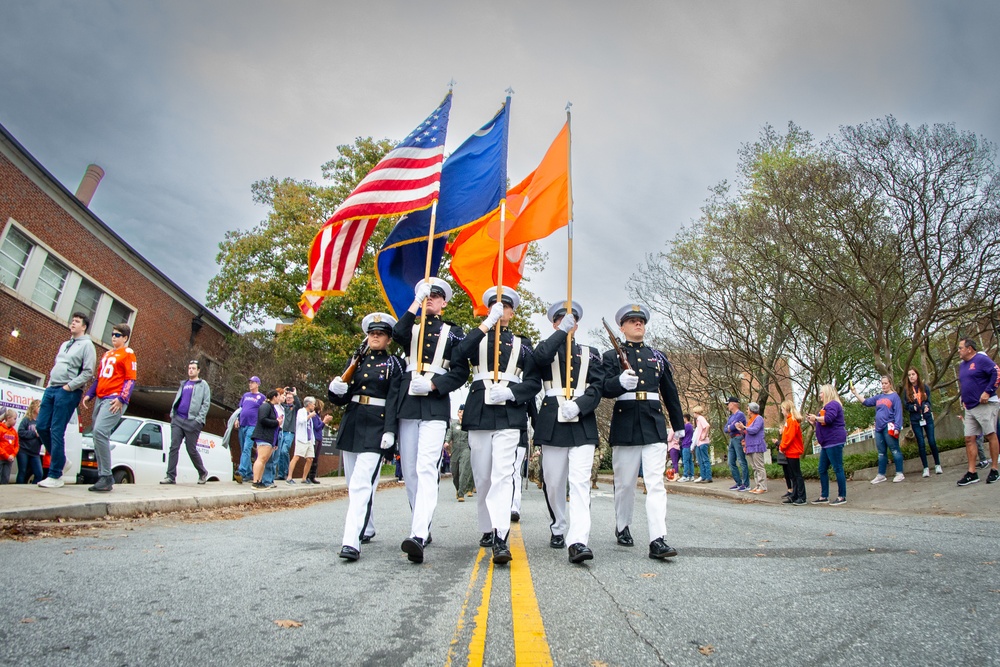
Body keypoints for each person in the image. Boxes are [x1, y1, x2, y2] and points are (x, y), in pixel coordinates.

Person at [453, 286, 541, 564]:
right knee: (482, 476)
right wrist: (486, 324)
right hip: (479, 411)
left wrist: (512, 393)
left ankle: (500, 535)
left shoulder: (522, 345)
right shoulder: (477, 337)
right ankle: (486, 527)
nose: (500, 311)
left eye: (504, 307)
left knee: (503, 475)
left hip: (509, 413)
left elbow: (533, 382)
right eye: (495, 306)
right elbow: (459, 354)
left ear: (512, 313)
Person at [392, 277, 469, 564]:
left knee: (426, 467)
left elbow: (461, 371)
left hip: (435, 404)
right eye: (427, 295)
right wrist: (415, 303)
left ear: (444, 302)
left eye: (435, 296)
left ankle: (418, 534)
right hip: (409, 403)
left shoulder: (454, 333)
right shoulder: (411, 327)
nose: (431, 299)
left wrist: (436, 385)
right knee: (410, 470)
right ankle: (421, 522)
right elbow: (398, 333)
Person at [601, 303, 685, 561]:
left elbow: (670, 392)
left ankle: (657, 538)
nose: (639, 323)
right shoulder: (611, 356)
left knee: (655, 483)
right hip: (625, 421)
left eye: (641, 320)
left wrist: (679, 425)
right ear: (622, 326)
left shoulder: (657, 357)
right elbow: (603, 388)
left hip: (652, 421)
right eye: (632, 320)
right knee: (625, 484)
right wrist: (618, 383)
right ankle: (623, 525)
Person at [532, 300, 607, 564]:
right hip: (553, 418)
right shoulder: (545, 347)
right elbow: (539, 359)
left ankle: (578, 541)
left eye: (571, 319)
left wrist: (579, 406)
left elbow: (597, 388)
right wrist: (560, 333)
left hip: (582, 418)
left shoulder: (591, 352)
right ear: (553, 322)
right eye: (560, 319)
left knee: (579, 482)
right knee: (553, 482)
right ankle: (559, 525)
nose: (567, 322)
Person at [329, 312, 404, 561]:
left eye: (380, 333)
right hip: (353, 422)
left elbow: (394, 400)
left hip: (376, 425)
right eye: (372, 332)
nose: (375, 336)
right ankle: (367, 527)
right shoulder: (356, 361)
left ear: (388, 339)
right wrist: (335, 390)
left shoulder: (394, 364)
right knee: (355, 485)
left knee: (362, 484)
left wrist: (391, 430)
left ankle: (351, 541)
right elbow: (341, 396)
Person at [36, 312, 97, 488]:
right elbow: (57, 365)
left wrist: (69, 387)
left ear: (84, 327)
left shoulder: (87, 346)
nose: (73, 324)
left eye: (77, 322)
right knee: (41, 426)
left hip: (68, 391)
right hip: (52, 389)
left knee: (56, 429)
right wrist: (49, 385)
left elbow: (88, 372)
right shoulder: (65, 344)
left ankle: (55, 476)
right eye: (72, 321)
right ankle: (61, 460)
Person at [80, 322, 137, 493]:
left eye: (118, 335)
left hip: (114, 399)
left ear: (125, 338)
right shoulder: (107, 354)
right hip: (101, 397)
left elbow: (130, 378)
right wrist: (90, 394)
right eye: (112, 334)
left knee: (99, 431)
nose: (114, 337)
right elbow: (99, 378)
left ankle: (106, 476)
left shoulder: (128, 354)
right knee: (96, 436)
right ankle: (102, 475)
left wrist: (122, 398)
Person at [956, 338, 1000, 486]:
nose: (958, 351)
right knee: (969, 439)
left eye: (960, 348)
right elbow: (966, 383)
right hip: (969, 407)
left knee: (990, 435)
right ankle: (972, 472)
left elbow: (997, 373)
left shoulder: (981, 359)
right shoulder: (962, 366)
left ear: (969, 349)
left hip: (985, 406)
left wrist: (988, 392)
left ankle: (994, 469)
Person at [162, 359, 211, 484]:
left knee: (191, 449)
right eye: (189, 368)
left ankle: (202, 472)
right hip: (178, 419)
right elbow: (178, 399)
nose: (191, 370)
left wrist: (198, 420)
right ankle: (170, 476)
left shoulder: (203, 384)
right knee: (174, 447)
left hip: (192, 422)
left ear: (198, 370)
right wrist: (173, 415)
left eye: (193, 368)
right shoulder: (184, 384)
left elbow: (206, 404)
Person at [850, 376, 905, 484]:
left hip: (889, 427)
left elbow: (898, 412)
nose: (883, 385)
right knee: (881, 453)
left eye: (885, 383)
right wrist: (855, 393)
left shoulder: (894, 397)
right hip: (878, 428)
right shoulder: (879, 397)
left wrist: (897, 427)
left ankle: (899, 473)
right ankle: (881, 474)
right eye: (882, 383)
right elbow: (866, 402)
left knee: (894, 450)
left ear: (890, 384)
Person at [808, 384, 848, 505]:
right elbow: (823, 423)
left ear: (826, 393)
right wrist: (814, 422)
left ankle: (842, 496)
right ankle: (824, 496)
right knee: (822, 469)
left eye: (821, 392)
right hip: (827, 443)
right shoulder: (827, 406)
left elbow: (828, 419)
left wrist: (816, 418)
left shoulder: (833, 405)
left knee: (838, 468)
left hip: (834, 441)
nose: (819, 395)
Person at [902, 368, 942, 477]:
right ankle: (925, 468)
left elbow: (929, 401)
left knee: (932, 441)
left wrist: (926, 406)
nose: (911, 377)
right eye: (909, 375)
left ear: (917, 375)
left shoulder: (925, 387)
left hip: (927, 418)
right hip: (915, 420)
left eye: (913, 374)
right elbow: (906, 405)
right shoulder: (907, 390)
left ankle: (937, 464)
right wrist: (912, 407)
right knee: (921, 443)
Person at [234, 376, 266, 483]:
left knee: (247, 448)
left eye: (253, 382)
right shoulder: (245, 396)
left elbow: (264, 411)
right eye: (250, 382)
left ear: (257, 384)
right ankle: (248, 473)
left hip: (253, 425)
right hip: (243, 424)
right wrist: (237, 419)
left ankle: (241, 471)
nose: (250, 384)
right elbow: (240, 409)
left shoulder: (261, 397)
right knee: (243, 448)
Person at [249, 389, 281, 489]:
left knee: (264, 460)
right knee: (261, 458)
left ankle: (259, 481)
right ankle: (255, 481)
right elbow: (262, 419)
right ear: (274, 397)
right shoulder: (265, 406)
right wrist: (276, 422)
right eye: (279, 396)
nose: (280, 398)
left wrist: (275, 442)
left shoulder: (272, 408)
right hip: (263, 436)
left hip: (270, 438)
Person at [778, 400, 806, 504]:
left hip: (792, 451)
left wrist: (782, 446)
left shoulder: (792, 421)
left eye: (782, 409)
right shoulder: (790, 420)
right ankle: (795, 495)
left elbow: (789, 437)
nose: (781, 411)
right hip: (790, 451)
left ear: (786, 409)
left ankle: (801, 496)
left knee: (796, 475)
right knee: (793, 476)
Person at [737, 402, 767, 493]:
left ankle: (763, 486)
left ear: (752, 410)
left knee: (759, 466)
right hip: (750, 445)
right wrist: (741, 429)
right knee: (754, 467)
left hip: (757, 445)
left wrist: (744, 428)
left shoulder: (759, 418)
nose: (747, 410)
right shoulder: (750, 420)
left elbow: (754, 430)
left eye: (748, 409)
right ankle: (757, 485)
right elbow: (747, 432)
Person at [285, 397, 316, 484]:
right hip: (302, 439)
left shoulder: (309, 413)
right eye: (313, 404)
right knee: (296, 457)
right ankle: (289, 477)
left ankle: (304, 478)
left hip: (309, 439)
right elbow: (301, 421)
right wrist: (309, 416)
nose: (314, 406)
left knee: (310, 458)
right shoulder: (301, 411)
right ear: (309, 404)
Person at [447, 405, 474, 501]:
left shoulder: (469, 425)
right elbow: (449, 435)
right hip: (455, 449)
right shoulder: (454, 425)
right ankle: (458, 489)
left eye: (463, 411)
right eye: (460, 411)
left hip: (466, 448)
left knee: (463, 470)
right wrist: (446, 442)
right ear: (457, 413)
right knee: (455, 472)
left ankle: (461, 493)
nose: (461, 413)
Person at [724, 397, 750, 492]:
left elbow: (733, 427)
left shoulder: (740, 415)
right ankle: (738, 482)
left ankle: (746, 484)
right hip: (732, 439)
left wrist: (731, 427)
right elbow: (726, 428)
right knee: (731, 461)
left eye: (729, 403)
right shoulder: (731, 416)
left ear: (733, 404)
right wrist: (731, 427)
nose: (728, 406)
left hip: (738, 438)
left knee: (741, 460)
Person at [276, 389, 302, 482]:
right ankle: (280, 474)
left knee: (284, 451)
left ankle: (287, 472)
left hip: (290, 432)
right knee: (279, 453)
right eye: (287, 398)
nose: (288, 400)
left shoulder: (294, 408)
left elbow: (299, 405)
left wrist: (295, 395)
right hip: (281, 431)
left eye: (290, 398)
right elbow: (278, 401)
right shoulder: (282, 407)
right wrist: (283, 391)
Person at [16, 400, 44, 484]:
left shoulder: (40, 422)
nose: (40, 408)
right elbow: (20, 432)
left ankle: (32, 488)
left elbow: (43, 437)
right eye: (38, 406)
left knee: (39, 474)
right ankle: (18, 488)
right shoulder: (27, 420)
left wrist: (41, 436)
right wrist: (34, 433)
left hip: (35, 452)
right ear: (34, 407)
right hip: (23, 450)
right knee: (22, 472)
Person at [691, 405, 713, 484]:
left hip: (703, 442)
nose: (693, 414)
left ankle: (708, 476)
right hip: (699, 442)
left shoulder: (700, 418)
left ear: (696, 412)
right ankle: (703, 476)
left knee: (705, 459)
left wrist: (704, 435)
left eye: (694, 412)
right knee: (701, 460)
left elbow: (707, 426)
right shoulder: (698, 420)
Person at [0, 409, 18, 483]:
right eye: (14, 419)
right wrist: (6, 455)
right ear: (8, 418)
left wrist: (13, 455)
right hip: (1, 458)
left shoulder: (14, 432)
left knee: (6, 478)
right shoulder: (1, 429)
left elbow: (16, 445)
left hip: (9, 459)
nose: (15, 421)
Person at [676, 414, 694, 482]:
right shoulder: (691, 426)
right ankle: (691, 475)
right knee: (690, 461)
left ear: (685, 418)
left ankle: (685, 475)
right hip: (689, 444)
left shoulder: (686, 426)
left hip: (685, 444)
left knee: (685, 461)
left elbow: (682, 435)